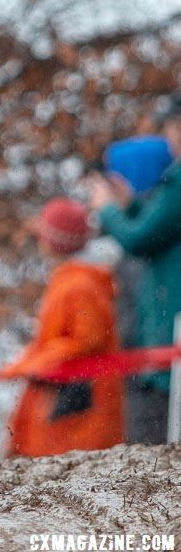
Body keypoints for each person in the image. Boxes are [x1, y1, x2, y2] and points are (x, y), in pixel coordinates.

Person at [89, 95, 181, 444]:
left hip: (158, 354)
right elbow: (155, 225)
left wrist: (109, 210)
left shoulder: (179, 179)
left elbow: (142, 237)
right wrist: (128, 206)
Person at [1, 198, 125, 457]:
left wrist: (36, 363)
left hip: (80, 412)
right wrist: (25, 362)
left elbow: (86, 340)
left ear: (55, 240)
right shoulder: (69, 279)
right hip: (66, 404)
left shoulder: (79, 285)